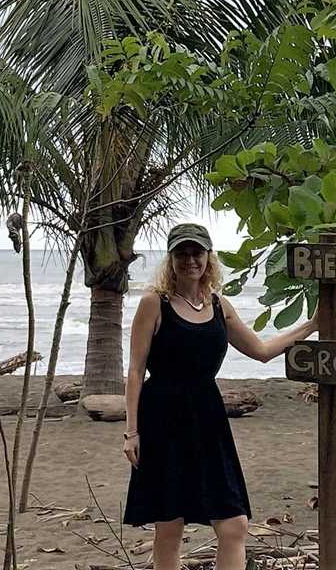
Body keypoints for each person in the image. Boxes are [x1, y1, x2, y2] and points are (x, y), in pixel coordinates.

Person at [122, 223, 318, 570]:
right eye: (181, 254)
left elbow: (260, 350)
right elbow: (136, 372)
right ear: (171, 259)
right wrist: (131, 432)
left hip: (207, 419)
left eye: (197, 253)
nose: (190, 260)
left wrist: (311, 326)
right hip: (162, 418)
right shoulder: (154, 304)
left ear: (208, 258)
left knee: (233, 525)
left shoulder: (218, 305)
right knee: (169, 525)